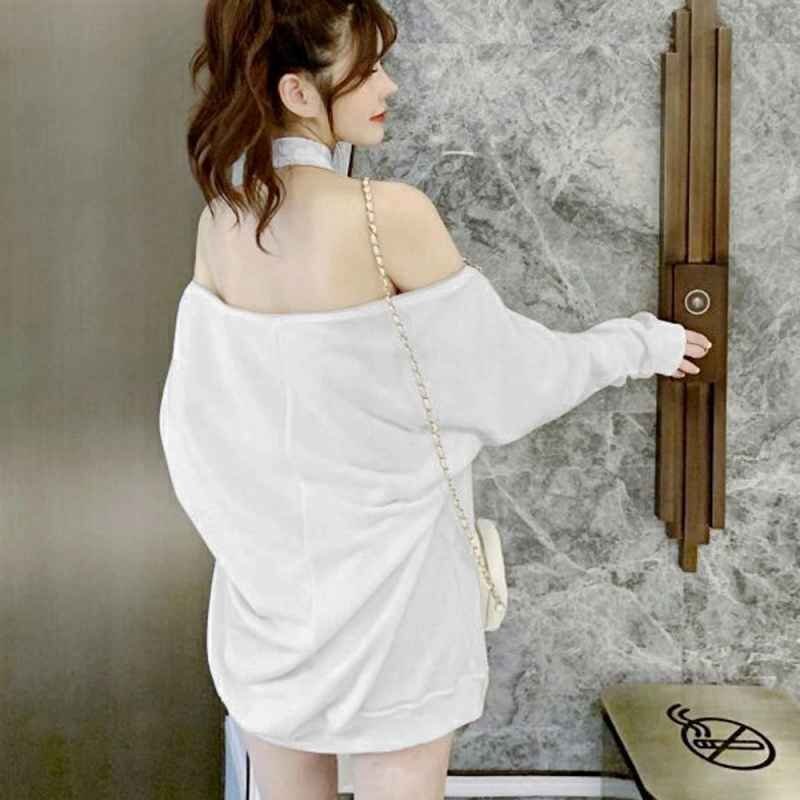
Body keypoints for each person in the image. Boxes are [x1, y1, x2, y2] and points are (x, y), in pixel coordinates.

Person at [162, 2, 712, 798]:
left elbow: (196, 435)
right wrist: (639, 345)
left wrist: (269, 555)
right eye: (367, 68)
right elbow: (513, 380)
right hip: (398, 615)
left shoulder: (222, 224)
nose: (389, 85)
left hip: (269, 609)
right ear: (298, 92)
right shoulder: (385, 217)